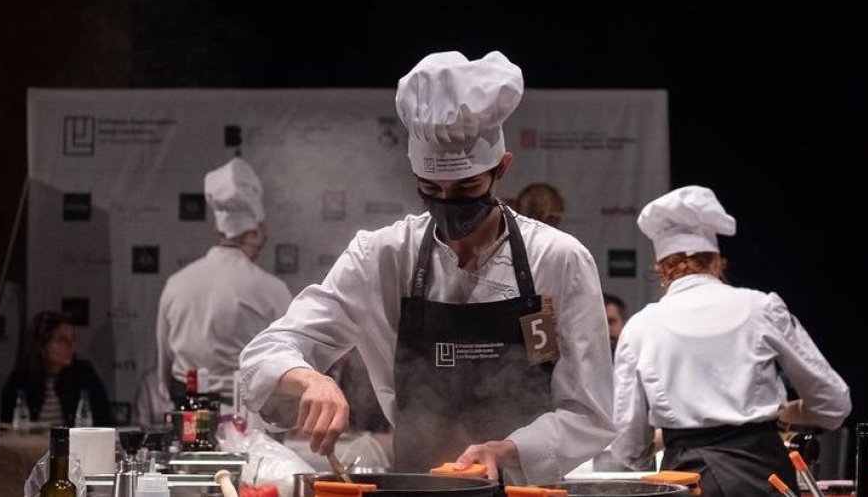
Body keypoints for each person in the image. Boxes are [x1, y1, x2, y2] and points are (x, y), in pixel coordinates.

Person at [238, 51, 614, 484]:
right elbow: (264, 353)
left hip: (525, 489)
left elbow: (589, 412)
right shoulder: (382, 256)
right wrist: (308, 379)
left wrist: (508, 450)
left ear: (501, 169)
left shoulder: (558, 259)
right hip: (418, 487)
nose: (449, 205)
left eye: (467, 187)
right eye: (431, 188)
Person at [611, 186, 851, 497]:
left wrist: (665, 437)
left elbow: (628, 448)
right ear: (717, 261)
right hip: (763, 477)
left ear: (661, 268)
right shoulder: (761, 308)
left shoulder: (641, 326)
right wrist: (784, 412)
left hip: (686, 483)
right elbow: (833, 404)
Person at [157, 157, 292, 404]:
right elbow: (291, 362)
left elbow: (164, 368)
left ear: (218, 231)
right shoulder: (273, 290)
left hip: (188, 415)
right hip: (251, 420)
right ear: (254, 232)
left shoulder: (176, 284)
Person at [0, 311, 112, 427]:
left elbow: (102, 420)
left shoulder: (84, 375)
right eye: (61, 340)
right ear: (41, 346)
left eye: (72, 339)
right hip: (31, 444)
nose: (71, 345)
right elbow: (7, 426)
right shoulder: (20, 381)